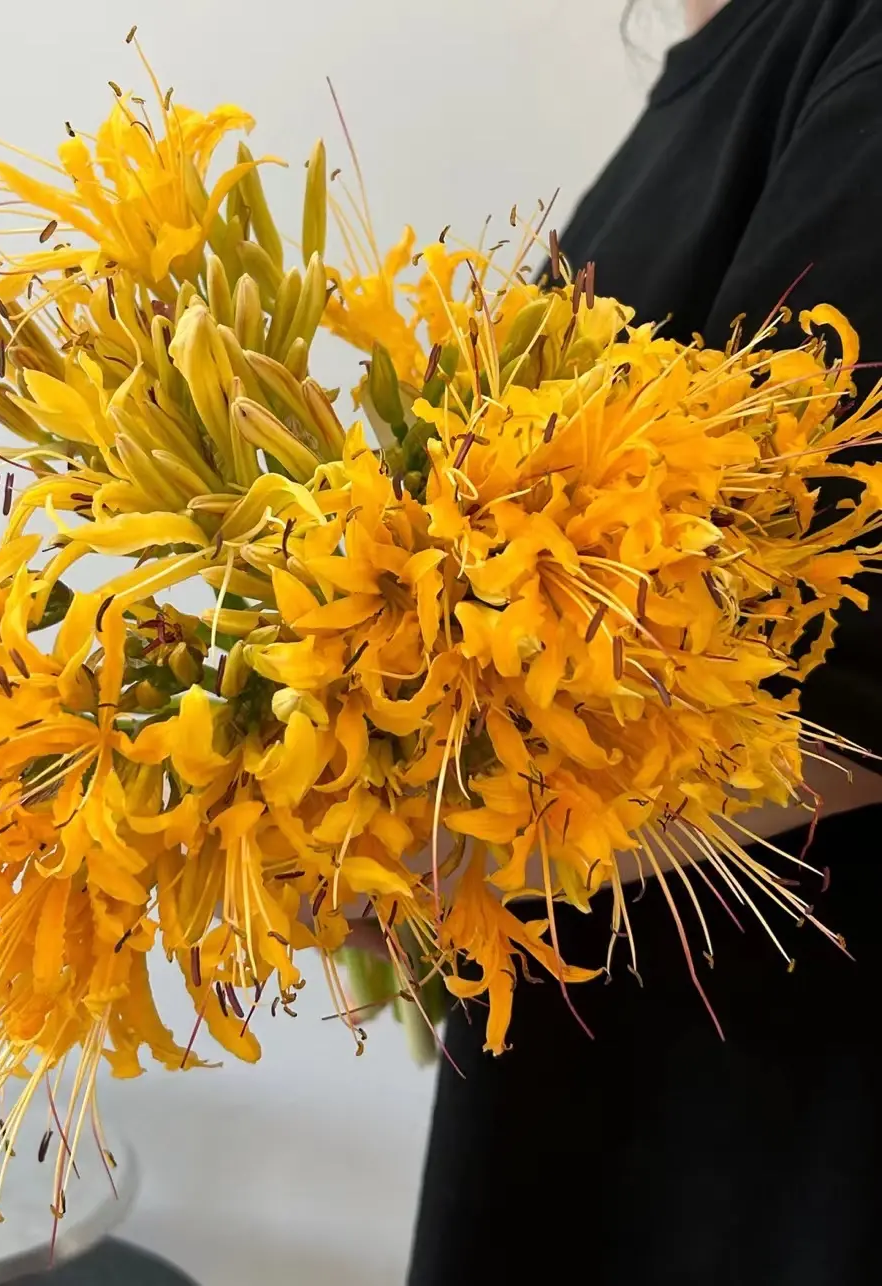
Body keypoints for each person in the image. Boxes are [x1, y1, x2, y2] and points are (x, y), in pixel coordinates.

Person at [407, 2, 882, 1282]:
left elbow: (837, 681)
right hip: (601, 1090)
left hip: (755, 1151)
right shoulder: (707, 82)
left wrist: (362, 825)